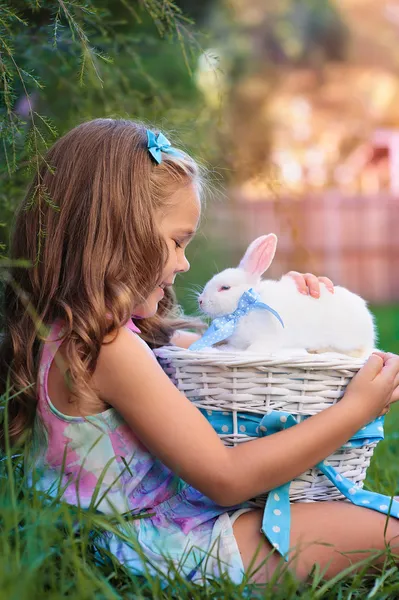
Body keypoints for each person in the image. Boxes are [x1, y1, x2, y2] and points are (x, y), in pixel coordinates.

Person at [1, 118, 399, 586]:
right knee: (388, 531)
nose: (184, 263)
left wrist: (284, 309)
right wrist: (354, 411)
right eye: (176, 241)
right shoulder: (109, 346)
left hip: (150, 530)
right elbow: (226, 477)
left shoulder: (68, 334)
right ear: (117, 232)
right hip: (167, 548)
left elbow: (228, 353)